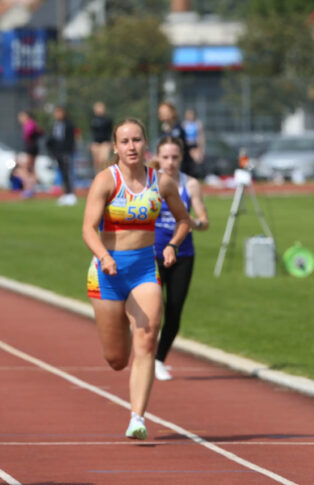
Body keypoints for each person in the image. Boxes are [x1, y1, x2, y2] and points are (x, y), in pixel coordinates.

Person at [82, 118, 191, 440]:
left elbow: (184, 220)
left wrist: (172, 245)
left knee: (146, 339)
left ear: (146, 145)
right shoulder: (106, 181)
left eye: (137, 140)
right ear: (115, 148)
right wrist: (104, 256)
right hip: (107, 272)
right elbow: (88, 228)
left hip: (145, 270)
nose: (131, 147)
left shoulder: (162, 182)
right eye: (125, 141)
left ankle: (137, 418)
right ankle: (123, 339)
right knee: (117, 359)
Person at [152, 137, 209, 381]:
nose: (170, 162)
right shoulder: (148, 182)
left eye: (175, 157)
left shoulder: (191, 184)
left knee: (174, 310)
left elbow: (203, 220)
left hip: (182, 254)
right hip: (152, 253)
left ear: (182, 157)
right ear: (157, 157)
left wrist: (193, 222)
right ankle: (145, 354)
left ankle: (158, 360)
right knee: (152, 309)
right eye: (165, 157)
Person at [47, 106, 77, 206]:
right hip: (57, 152)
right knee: (62, 173)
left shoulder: (69, 124)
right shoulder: (55, 125)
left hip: (66, 152)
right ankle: (66, 193)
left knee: (68, 173)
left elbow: (71, 140)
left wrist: (68, 152)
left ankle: (71, 194)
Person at [158, 102, 194, 176]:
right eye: (161, 112)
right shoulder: (165, 129)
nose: (162, 114)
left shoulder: (178, 129)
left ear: (172, 112)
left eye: (165, 112)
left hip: (182, 165)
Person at [17, 110, 42, 196]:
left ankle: (28, 189)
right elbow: (40, 133)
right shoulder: (34, 124)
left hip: (30, 148)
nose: (20, 119)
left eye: (21, 117)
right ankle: (32, 189)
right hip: (33, 148)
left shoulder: (29, 124)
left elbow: (28, 134)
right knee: (31, 170)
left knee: (25, 169)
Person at [89, 101, 113, 174]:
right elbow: (92, 133)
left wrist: (110, 143)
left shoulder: (108, 120)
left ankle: (105, 175)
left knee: (104, 160)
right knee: (97, 162)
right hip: (96, 143)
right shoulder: (93, 120)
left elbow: (111, 131)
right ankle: (97, 176)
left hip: (105, 143)